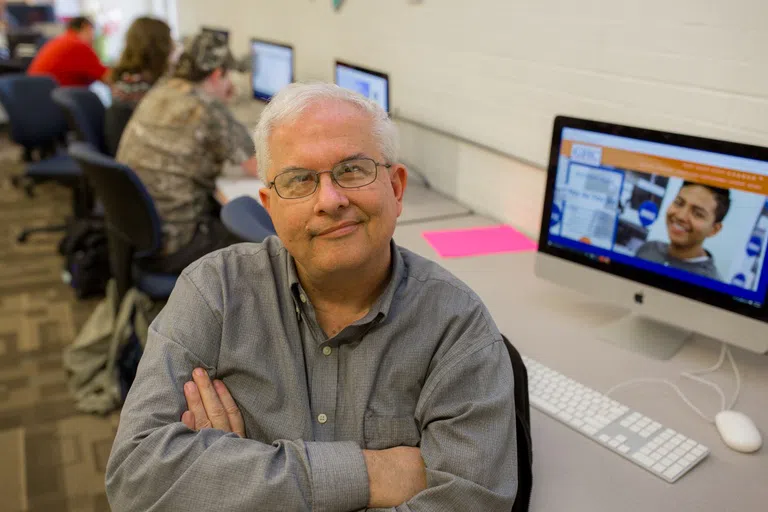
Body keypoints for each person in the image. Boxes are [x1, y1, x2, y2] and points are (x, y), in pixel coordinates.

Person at [105, 83, 518, 511]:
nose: (330, 200)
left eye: (353, 170)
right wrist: (372, 473)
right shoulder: (215, 292)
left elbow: (470, 504)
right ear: (269, 206)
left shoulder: (456, 326)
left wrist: (240, 482)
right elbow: (135, 480)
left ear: (396, 188)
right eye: (299, 180)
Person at [115, 29, 258, 274]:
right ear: (217, 74)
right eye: (228, 76)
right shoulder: (207, 107)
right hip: (179, 243)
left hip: (140, 233)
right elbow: (258, 166)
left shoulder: (162, 89)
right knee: (261, 245)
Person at [104, 16, 173, 156]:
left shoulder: (128, 79)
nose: (173, 45)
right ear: (159, 46)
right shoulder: (137, 87)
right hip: (140, 155)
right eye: (169, 40)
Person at [636, 181, 731, 280]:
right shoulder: (649, 249)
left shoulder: (711, 285)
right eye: (679, 203)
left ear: (714, 230)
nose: (681, 216)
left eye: (698, 214)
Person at [27, 17, 110, 86]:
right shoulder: (78, 45)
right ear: (86, 27)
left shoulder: (60, 41)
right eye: (93, 32)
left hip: (37, 96)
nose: (93, 38)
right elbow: (108, 77)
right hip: (51, 100)